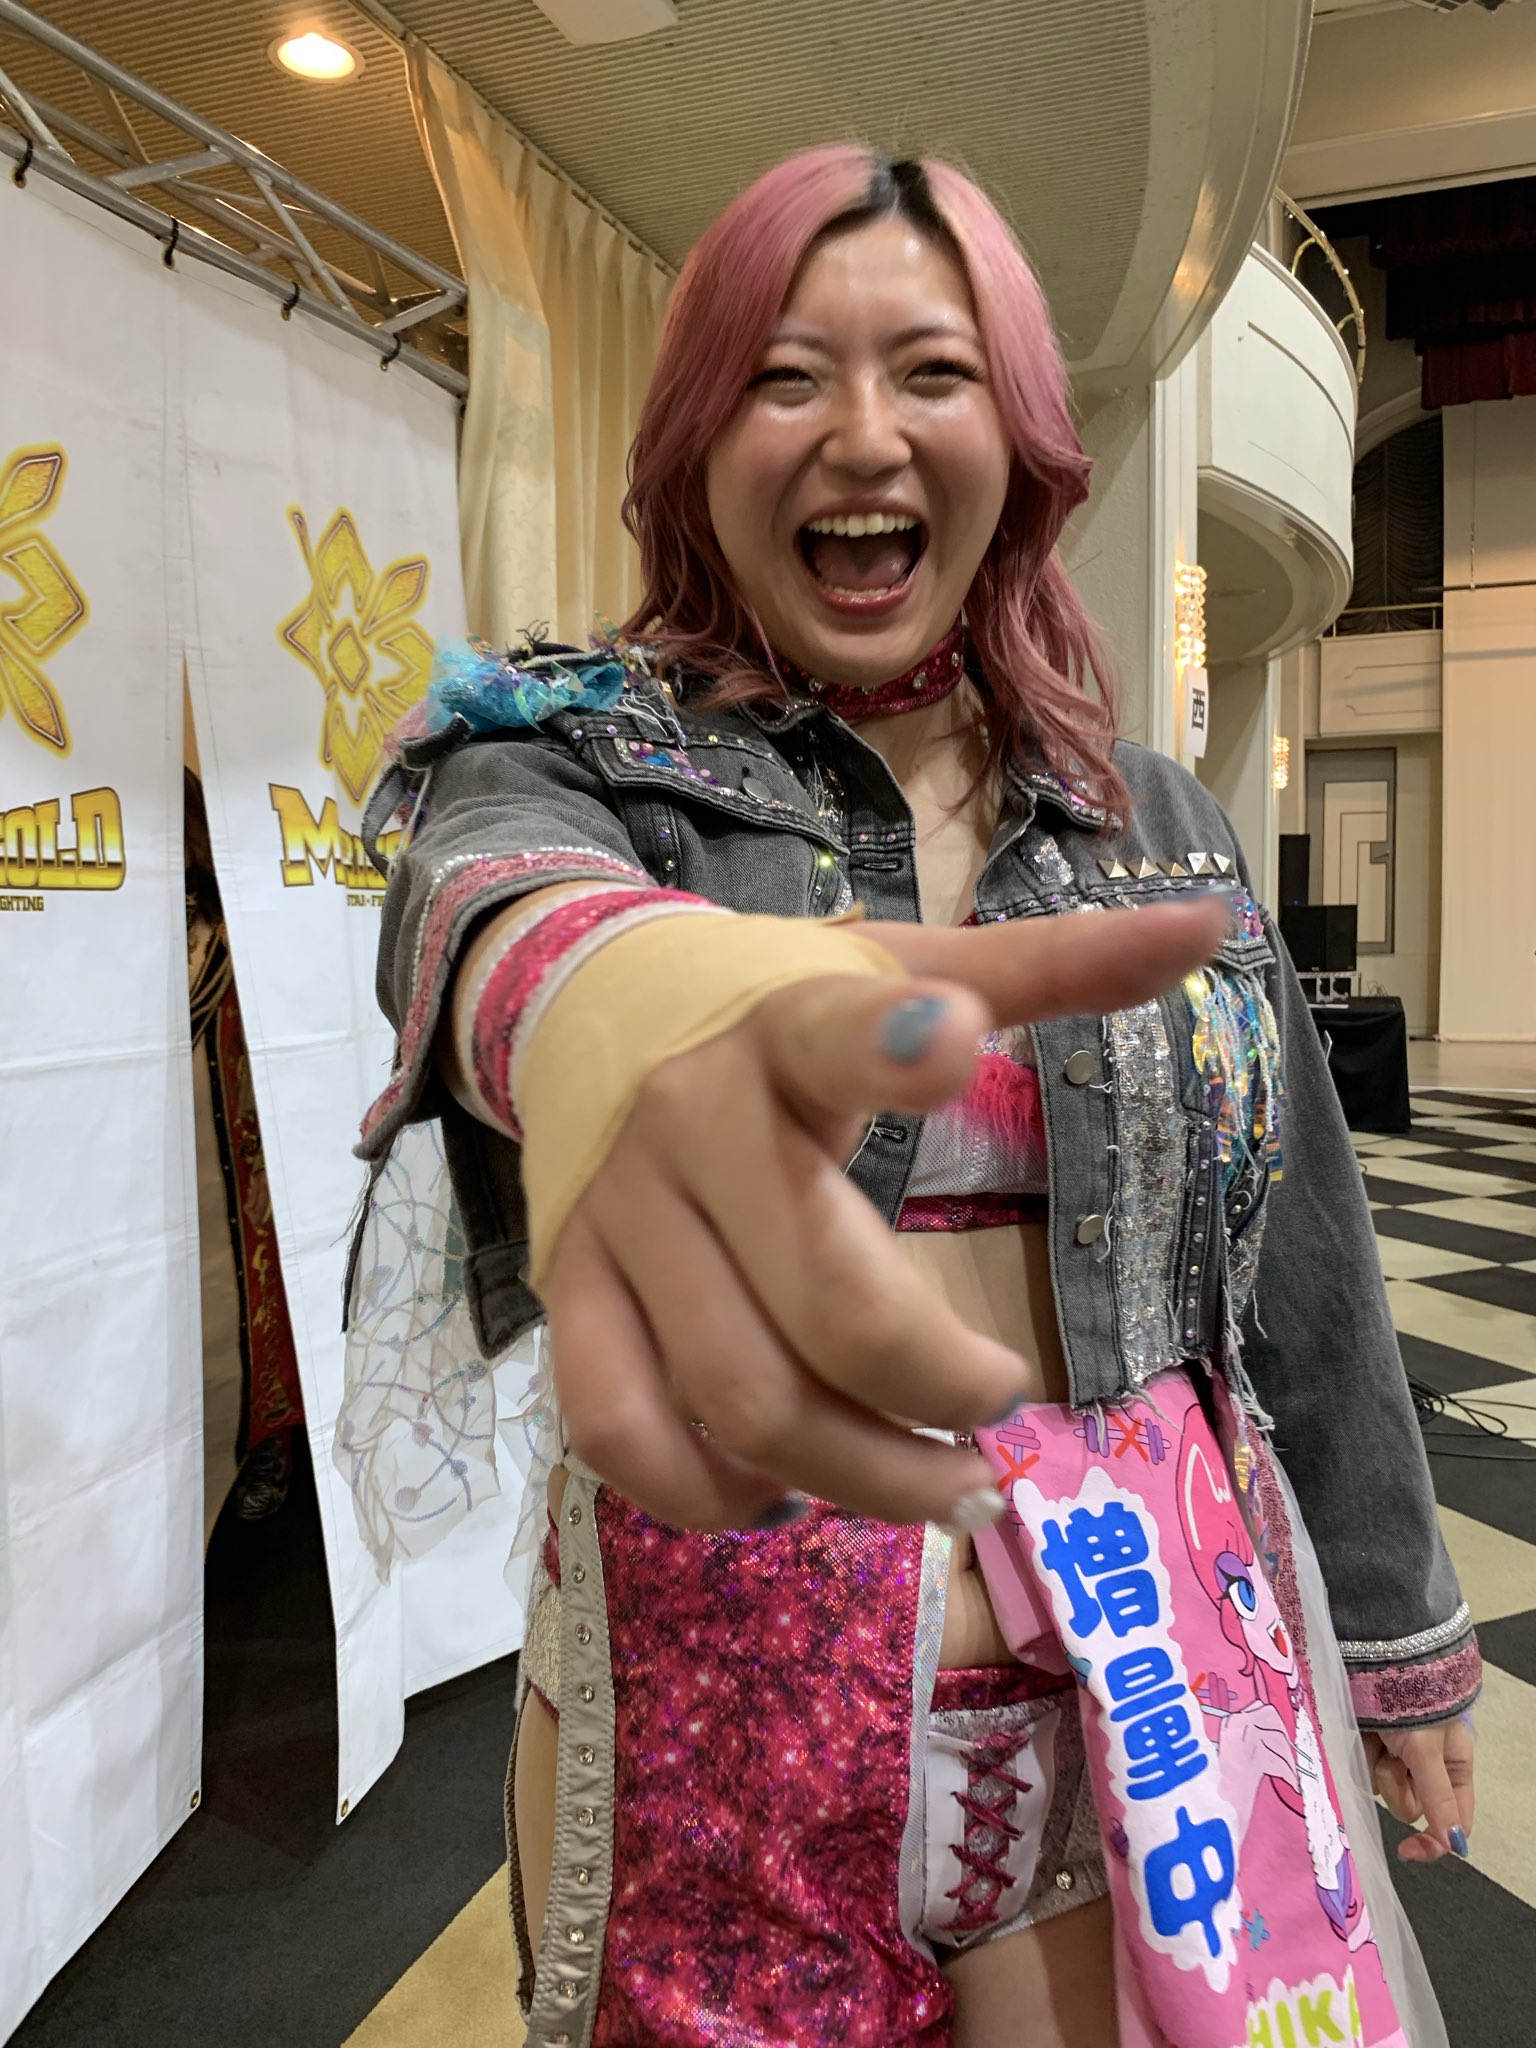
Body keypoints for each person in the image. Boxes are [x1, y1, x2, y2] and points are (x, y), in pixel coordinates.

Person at [352, 149, 1476, 2048]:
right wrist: (600, 994)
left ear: (1017, 440)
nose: (863, 434)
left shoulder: (1152, 822)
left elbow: (1303, 1259)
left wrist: (1395, 1630)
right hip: (717, 1743)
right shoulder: (572, 756)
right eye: (787, 376)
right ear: (700, 438)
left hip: (1128, 1707)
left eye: (932, 373)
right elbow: (489, 909)